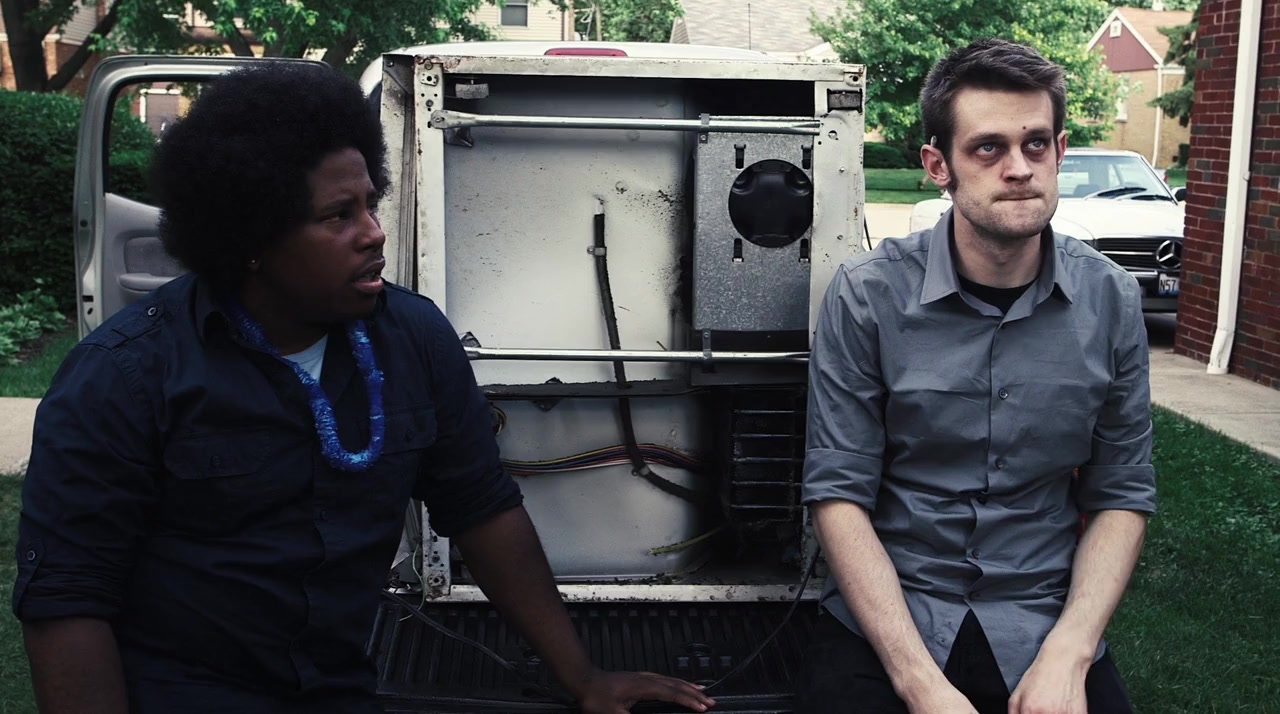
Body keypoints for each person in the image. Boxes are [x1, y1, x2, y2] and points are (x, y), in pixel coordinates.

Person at [12, 62, 716, 714]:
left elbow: (483, 512)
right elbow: (68, 604)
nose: (374, 234)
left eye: (371, 205)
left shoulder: (414, 338)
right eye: (337, 216)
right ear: (250, 238)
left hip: (341, 689)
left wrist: (583, 678)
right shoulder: (122, 377)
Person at [797, 38, 1156, 714]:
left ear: (1060, 151)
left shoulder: (1110, 300)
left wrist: (1071, 653)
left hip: (1043, 613)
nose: (1018, 168)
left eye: (1035, 144)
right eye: (988, 148)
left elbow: (1122, 492)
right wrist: (921, 685)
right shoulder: (869, 295)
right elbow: (837, 494)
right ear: (939, 165)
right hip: (895, 613)